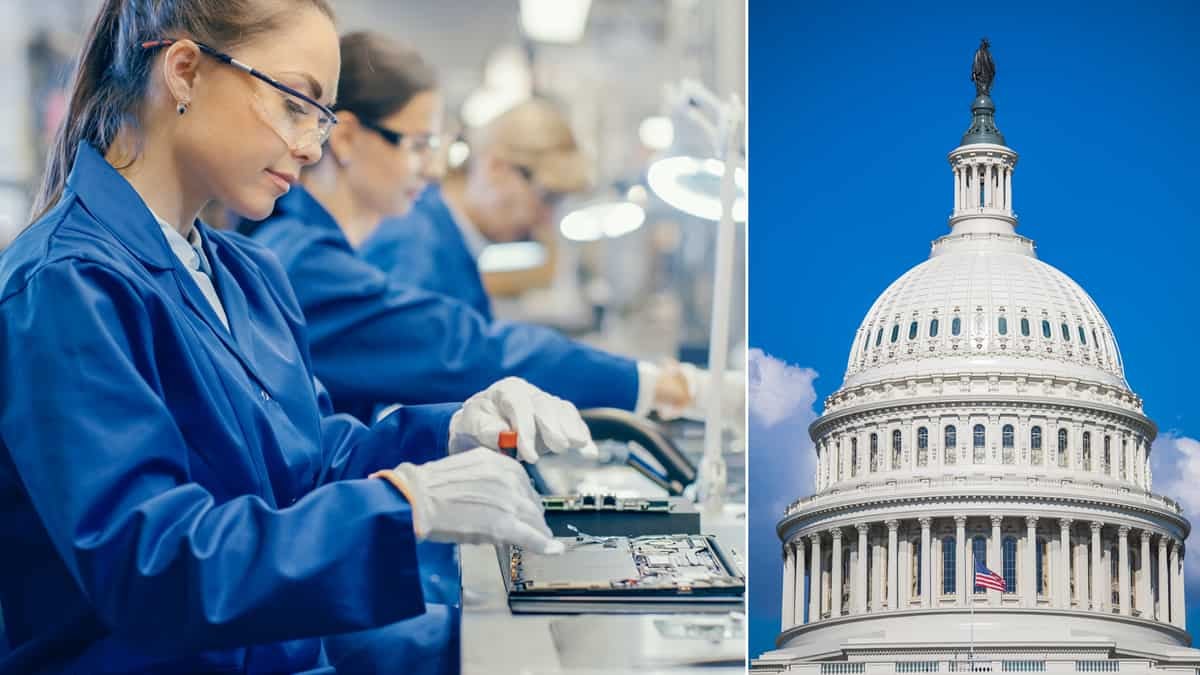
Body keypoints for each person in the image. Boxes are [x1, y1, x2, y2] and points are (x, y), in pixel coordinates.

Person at [0, 2, 589, 672]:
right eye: (293, 104)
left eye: (323, 117)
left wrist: (452, 431)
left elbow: (309, 464)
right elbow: (155, 566)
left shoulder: (246, 275)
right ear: (186, 71)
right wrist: (404, 507)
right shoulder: (66, 288)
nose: (312, 146)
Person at [242, 32, 741, 429]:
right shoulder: (301, 262)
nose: (433, 168)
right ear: (347, 137)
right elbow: (462, 351)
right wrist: (664, 386)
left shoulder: (302, 250)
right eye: (416, 144)